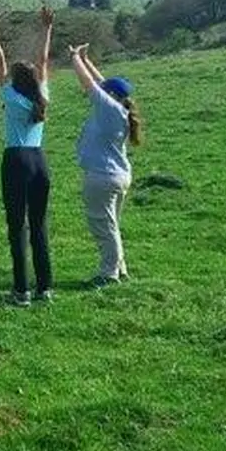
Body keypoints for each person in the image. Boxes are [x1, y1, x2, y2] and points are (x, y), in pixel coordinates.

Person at [0, 8, 55, 306]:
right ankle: (45, 288)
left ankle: (21, 290)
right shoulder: (41, 95)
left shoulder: (9, 94)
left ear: (15, 79)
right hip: (40, 161)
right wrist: (46, 28)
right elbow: (43, 59)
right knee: (39, 226)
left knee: (17, 227)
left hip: (16, 160)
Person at [69, 44, 143, 287]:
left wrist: (74, 59)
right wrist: (85, 58)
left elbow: (89, 84)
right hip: (117, 174)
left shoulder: (109, 108)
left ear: (110, 96)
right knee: (111, 224)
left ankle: (108, 273)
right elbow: (101, 83)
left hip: (102, 176)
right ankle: (119, 268)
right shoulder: (118, 108)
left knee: (102, 225)